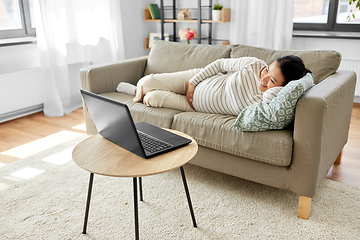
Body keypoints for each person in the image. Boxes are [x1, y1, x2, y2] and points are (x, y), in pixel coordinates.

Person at [117, 55, 311, 116]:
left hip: (195, 106)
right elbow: (220, 64)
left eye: (273, 81)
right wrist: (193, 82)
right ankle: (136, 89)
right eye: (268, 69)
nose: (264, 77)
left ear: (282, 88)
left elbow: (275, 98)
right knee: (147, 81)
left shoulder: (265, 102)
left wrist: (277, 89)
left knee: (152, 98)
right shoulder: (254, 65)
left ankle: (139, 93)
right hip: (197, 80)